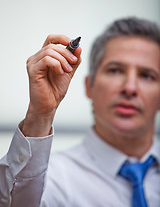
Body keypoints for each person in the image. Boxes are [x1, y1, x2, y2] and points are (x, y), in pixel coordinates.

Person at [0, 17, 160, 207]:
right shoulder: (48, 180)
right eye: (115, 70)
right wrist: (40, 114)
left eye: (147, 76)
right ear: (88, 86)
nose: (130, 88)